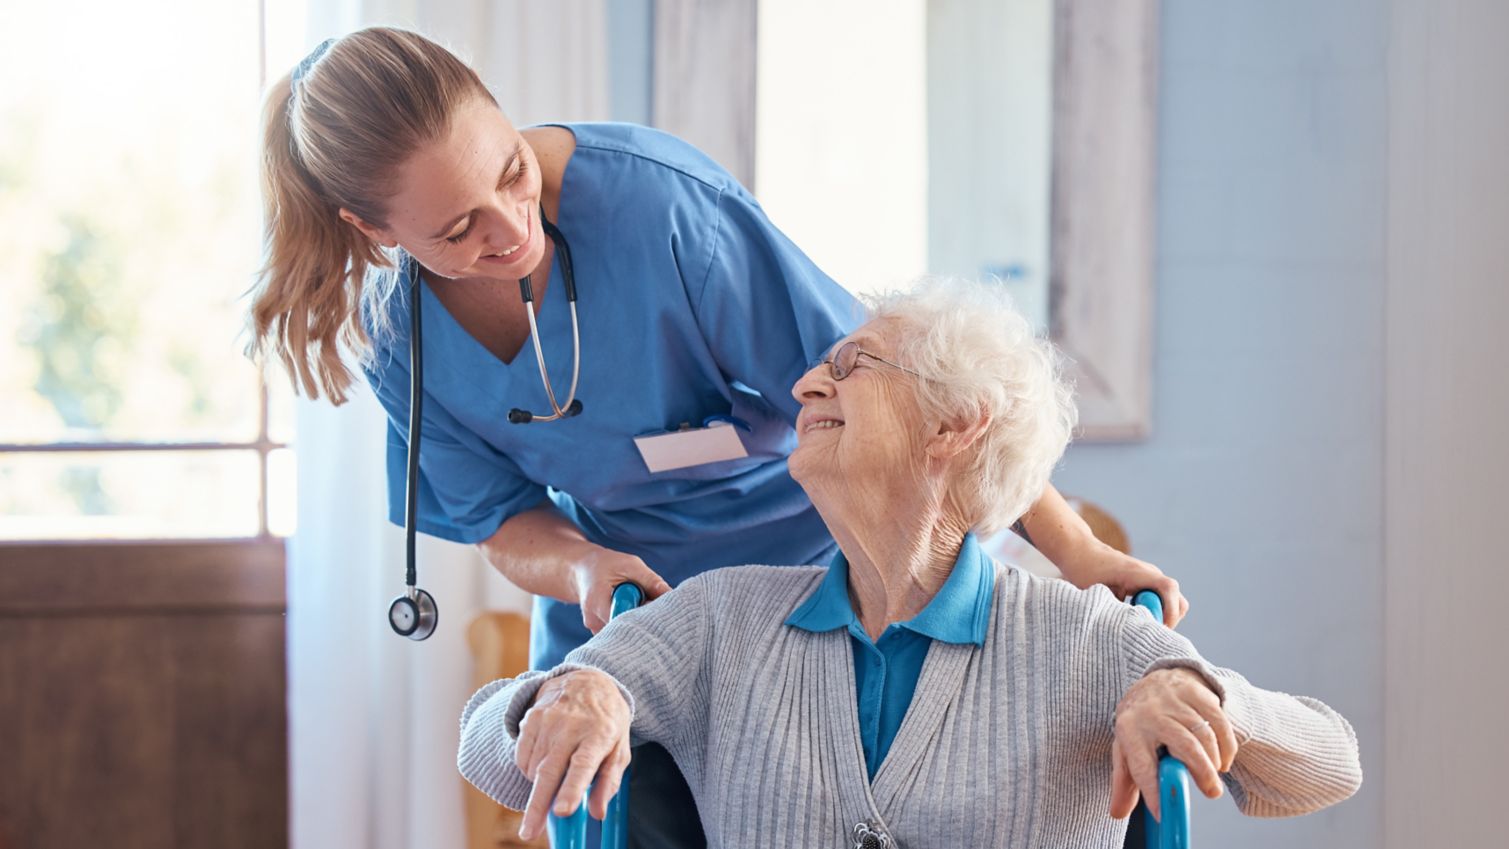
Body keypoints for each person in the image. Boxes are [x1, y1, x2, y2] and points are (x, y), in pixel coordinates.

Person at [248, 27, 1189, 846]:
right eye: (458, 231)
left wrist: (1074, 549)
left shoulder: (660, 210)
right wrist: (581, 567)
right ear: (371, 230)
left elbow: (901, 393)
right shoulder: (394, 334)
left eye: (512, 173)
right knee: (616, 796)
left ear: (503, 113)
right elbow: (499, 518)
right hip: (638, 610)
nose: (511, 231)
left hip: (824, 577)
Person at [457, 277, 1363, 846]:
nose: (806, 384)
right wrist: (570, 692)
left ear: (953, 423)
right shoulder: (719, 618)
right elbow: (484, 748)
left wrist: (1197, 694)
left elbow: (1328, 762)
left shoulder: (1085, 639)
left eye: (851, 365)